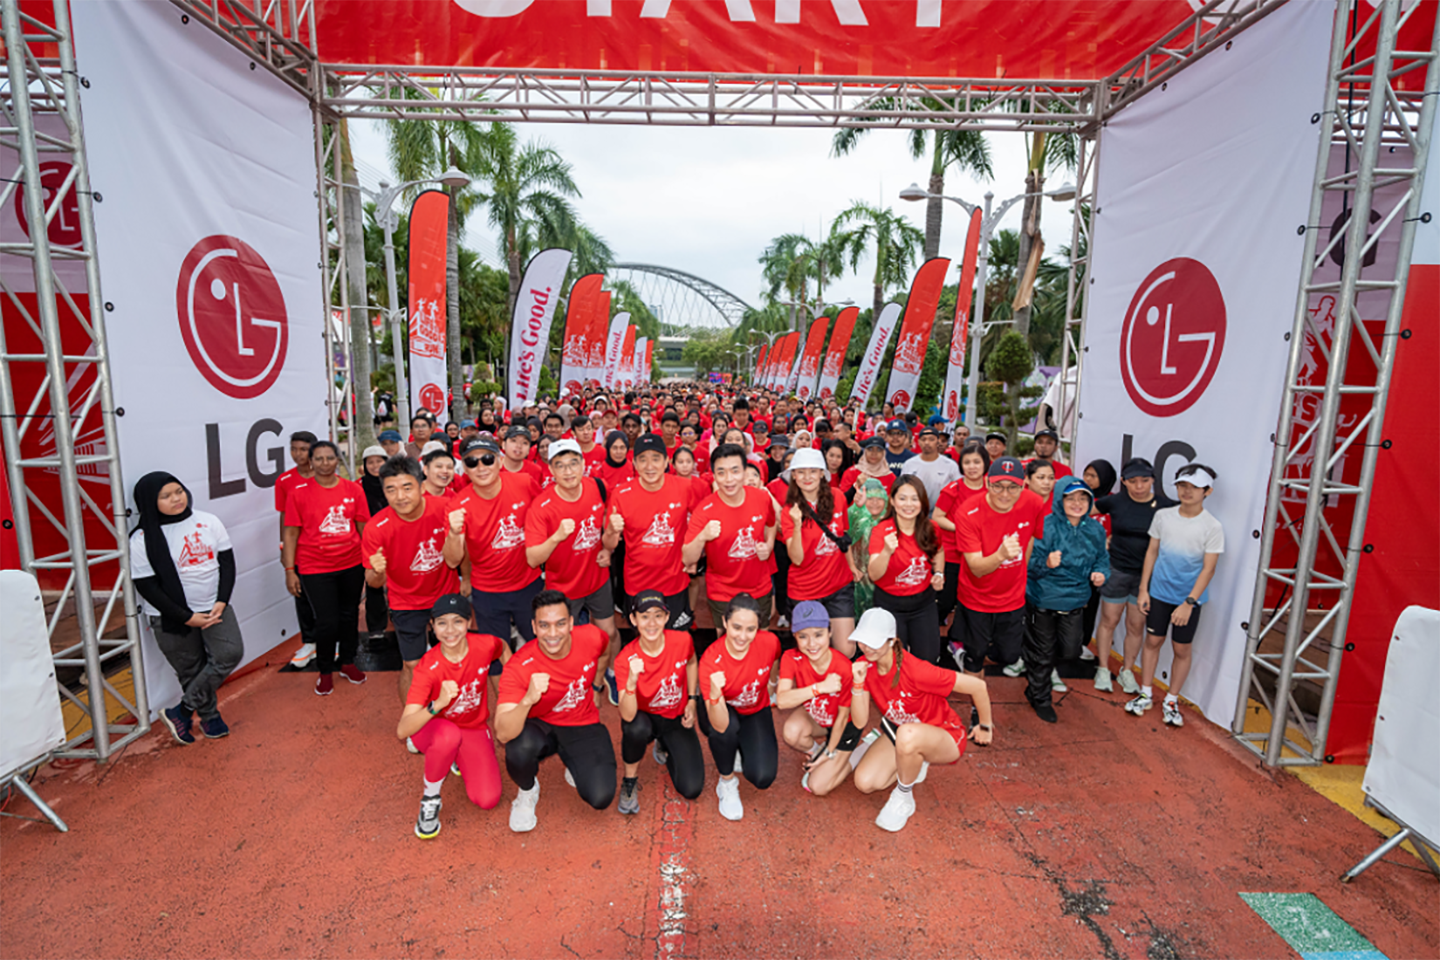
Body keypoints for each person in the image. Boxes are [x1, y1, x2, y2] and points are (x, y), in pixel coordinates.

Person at [849, 608, 994, 832]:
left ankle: (903, 796)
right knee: (865, 783)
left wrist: (984, 726)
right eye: (862, 640)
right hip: (904, 731)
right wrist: (858, 685)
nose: (866, 647)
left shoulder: (916, 670)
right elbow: (860, 722)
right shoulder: (864, 665)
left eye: (873, 642)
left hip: (946, 735)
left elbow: (977, 686)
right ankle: (915, 761)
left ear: (892, 641)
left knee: (907, 734)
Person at [130, 472, 243, 744]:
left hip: (215, 607)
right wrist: (186, 617)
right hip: (170, 616)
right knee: (191, 669)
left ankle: (181, 711)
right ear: (149, 502)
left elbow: (227, 563)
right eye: (165, 496)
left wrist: (221, 601)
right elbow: (147, 587)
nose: (176, 499)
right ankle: (210, 718)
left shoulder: (207, 521)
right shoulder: (141, 539)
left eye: (178, 491)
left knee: (230, 653)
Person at [495, 589, 618, 831]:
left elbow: (604, 653)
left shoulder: (592, 636)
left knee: (600, 797)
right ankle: (528, 790)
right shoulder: (519, 666)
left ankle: (575, 764)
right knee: (519, 747)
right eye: (544, 625)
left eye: (560, 624)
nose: (552, 634)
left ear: (572, 622)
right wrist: (528, 699)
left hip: (582, 723)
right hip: (542, 726)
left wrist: (596, 685)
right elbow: (502, 732)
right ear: (533, 626)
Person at [397, 595, 510, 839]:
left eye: (457, 622)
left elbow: (503, 648)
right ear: (432, 626)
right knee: (448, 735)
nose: (450, 631)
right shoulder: (427, 667)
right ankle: (430, 798)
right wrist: (436, 706)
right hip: (435, 728)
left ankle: (456, 754)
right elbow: (402, 729)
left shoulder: (485, 645)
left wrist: (509, 692)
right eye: (442, 623)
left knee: (488, 799)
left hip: (473, 727)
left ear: (469, 623)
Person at [1129, 464, 1224, 726]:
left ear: (1208, 491)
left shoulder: (1212, 526)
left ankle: (1172, 699)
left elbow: (1209, 569)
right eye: (1182, 486)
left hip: (1188, 601)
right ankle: (1145, 692)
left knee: (1181, 648)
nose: (1186, 491)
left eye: (1193, 487)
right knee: (1152, 642)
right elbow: (1152, 552)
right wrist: (1144, 590)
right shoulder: (1163, 516)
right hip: (1158, 594)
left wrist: (1188, 603)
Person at [363, 455, 462, 703]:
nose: (400, 496)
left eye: (407, 487)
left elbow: (454, 561)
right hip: (405, 600)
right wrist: (377, 571)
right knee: (412, 664)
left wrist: (453, 534)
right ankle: (412, 721)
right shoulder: (376, 528)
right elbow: (374, 583)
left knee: (454, 658)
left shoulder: (443, 509)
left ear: (421, 486)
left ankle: (456, 711)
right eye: (391, 490)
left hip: (445, 594)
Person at [525, 438, 618, 696]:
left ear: (583, 465)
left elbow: (605, 518)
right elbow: (532, 558)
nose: (568, 471)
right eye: (561, 466)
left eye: (573, 463)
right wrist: (556, 537)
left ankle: (611, 673)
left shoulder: (597, 486)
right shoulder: (541, 507)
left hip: (597, 578)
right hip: (563, 587)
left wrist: (606, 548)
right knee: (566, 640)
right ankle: (573, 684)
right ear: (551, 471)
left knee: (608, 632)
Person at [282, 441, 370, 695]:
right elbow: (290, 534)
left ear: (337, 460)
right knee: (326, 621)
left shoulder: (353, 490)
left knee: (349, 615)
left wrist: (370, 560)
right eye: (318, 459)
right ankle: (324, 671)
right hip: (314, 567)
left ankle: (348, 662)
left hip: (351, 563)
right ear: (311, 462)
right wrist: (290, 569)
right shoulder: (298, 493)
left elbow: (364, 526)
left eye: (329, 458)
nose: (324, 463)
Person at [1023, 477, 1110, 723]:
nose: (1077, 503)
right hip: (1043, 598)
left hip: (1075, 601)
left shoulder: (1095, 529)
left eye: (1083, 498)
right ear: (1060, 500)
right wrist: (1045, 563)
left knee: (1071, 651)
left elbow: (1102, 559)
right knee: (1043, 654)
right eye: (1070, 498)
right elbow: (1028, 563)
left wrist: (1102, 573)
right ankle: (1040, 697)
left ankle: (1034, 681)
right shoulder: (1046, 525)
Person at [445, 436, 543, 647]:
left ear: (499, 460)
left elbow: (545, 516)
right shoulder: (457, 505)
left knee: (543, 644)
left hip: (528, 584)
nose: (481, 467)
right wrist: (453, 533)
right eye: (472, 462)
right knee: (496, 653)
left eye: (487, 459)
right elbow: (452, 561)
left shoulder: (525, 483)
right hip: (488, 592)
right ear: (464, 468)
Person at [614, 590, 704, 813]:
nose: (651, 623)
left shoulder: (682, 640)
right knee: (635, 729)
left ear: (666, 617)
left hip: (675, 717)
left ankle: (665, 743)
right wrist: (632, 681)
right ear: (633, 620)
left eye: (657, 615)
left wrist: (692, 699)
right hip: (644, 718)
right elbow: (626, 715)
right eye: (644, 616)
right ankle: (630, 780)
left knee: (691, 788)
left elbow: (692, 663)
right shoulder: (625, 659)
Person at [952, 457, 1042, 679]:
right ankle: (976, 709)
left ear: (1023, 486)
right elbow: (976, 568)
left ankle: (974, 648)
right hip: (976, 598)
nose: (1005, 494)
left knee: (1009, 656)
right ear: (986, 483)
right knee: (976, 660)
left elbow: (1030, 536)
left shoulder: (1034, 503)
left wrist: (1021, 567)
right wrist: (1001, 555)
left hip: (1012, 597)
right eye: (998, 486)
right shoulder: (968, 512)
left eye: (1013, 487)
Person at [1092, 458, 1175, 694]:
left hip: (1146, 577)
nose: (1139, 486)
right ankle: (1102, 668)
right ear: (1123, 482)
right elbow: (1079, 511)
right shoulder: (1115, 501)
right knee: (1109, 621)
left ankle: (1127, 671)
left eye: (1145, 481)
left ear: (1153, 481)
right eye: (1133, 481)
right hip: (1116, 570)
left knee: (1136, 625)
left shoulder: (1166, 506)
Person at [605, 433, 701, 634]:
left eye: (656, 458)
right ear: (634, 463)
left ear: (667, 461)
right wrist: (613, 531)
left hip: (675, 582)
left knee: (677, 640)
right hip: (637, 585)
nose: (650, 466)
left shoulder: (684, 487)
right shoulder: (621, 494)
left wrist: (694, 553)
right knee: (644, 641)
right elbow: (609, 544)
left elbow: (702, 520)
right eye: (643, 459)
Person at [699, 594, 781, 821]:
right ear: (725, 623)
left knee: (762, 777)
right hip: (721, 711)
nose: (743, 636)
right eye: (736, 627)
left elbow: (774, 660)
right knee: (724, 731)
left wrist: (772, 685)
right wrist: (715, 694)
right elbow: (720, 723)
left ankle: (740, 747)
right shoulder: (710, 661)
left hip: (755, 708)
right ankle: (726, 782)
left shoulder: (769, 641)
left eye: (750, 629)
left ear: (758, 628)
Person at [684, 443, 779, 630]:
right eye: (721, 472)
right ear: (714, 475)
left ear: (745, 471)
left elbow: (771, 523)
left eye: (735, 471)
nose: (728, 479)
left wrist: (768, 545)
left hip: (759, 586)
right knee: (726, 644)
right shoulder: (704, 510)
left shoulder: (761, 498)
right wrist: (702, 536)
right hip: (722, 590)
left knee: (762, 640)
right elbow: (687, 558)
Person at [776, 601, 860, 796]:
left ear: (829, 633)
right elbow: (782, 700)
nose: (812, 644)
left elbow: (841, 718)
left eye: (818, 635)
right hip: (820, 717)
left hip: (845, 726)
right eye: (803, 636)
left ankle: (860, 751)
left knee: (818, 787)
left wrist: (829, 753)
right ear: (795, 635)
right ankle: (818, 750)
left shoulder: (844, 667)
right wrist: (819, 688)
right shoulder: (791, 657)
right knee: (791, 732)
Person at [781, 448, 859, 655]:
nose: (808, 477)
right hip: (805, 590)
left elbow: (843, 537)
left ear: (822, 474)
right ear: (794, 476)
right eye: (801, 472)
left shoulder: (838, 497)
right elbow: (796, 559)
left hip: (838, 586)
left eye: (813, 471)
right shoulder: (789, 510)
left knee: (847, 650)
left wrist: (852, 566)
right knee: (812, 649)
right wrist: (797, 525)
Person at [867, 476, 945, 665]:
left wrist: (939, 573)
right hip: (889, 605)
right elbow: (874, 574)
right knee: (892, 661)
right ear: (892, 501)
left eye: (914, 498)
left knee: (928, 658)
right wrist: (886, 551)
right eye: (902, 498)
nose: (908, 504)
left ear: (922, 502)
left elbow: (940, 550)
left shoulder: (931, 528)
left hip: (923, 603)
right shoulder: (881, 531)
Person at [933, 442, 989, 634]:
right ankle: (935, 635)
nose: (972, 467)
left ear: (985, 464)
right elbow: (937, 517)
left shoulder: (994, 488)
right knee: (946, 599)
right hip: (952, 554)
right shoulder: (953, 489)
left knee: (972, 601)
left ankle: (959, 637)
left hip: (982, 555)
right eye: (967, 462)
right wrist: (962, 529)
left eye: (976, 462)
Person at [275, 430, 318, 667]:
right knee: (301, 594)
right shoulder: (284, 481)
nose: (298, 454)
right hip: (299, 547)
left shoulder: (324, 476)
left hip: (324, 548)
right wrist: (284, 547)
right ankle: (309, 641)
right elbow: (283, 516)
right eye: (294, 449)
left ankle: (332, 641)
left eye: (303, 449)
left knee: (327, 596)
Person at [1080, 459, 1117, 647]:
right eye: (1086, 474)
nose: (1088, 479)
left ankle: (1083, 643)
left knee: (1092, 606)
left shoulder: (1112, 501)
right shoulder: (1078, 498)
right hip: (1078, 561)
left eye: (1093, 476)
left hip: (1101, 564)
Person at [359, 445, 390, 642]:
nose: (375, 465)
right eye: (370, 462)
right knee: (374, 585)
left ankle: (398, 613)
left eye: (379, 461)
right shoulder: (358, 486)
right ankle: (376, 626)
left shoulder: (395, 482)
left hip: (396, 539)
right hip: (370, 541)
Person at [847, 477, 889, 617]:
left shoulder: (891, 521)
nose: (875, 503)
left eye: (879, 498)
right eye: (870, 499)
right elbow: (846, 536)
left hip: (883, 579)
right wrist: (856, 507)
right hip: (858, 577)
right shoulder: (857, 516)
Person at [900, 426, 961, 507]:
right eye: (923, 439)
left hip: (942, 514)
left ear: (938, 442)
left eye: (931, 439)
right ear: (918, 442)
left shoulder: (950, 465)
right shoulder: (909, 464)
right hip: (914, 512)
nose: (927, 442)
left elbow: (958, 491)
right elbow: (903, 489)